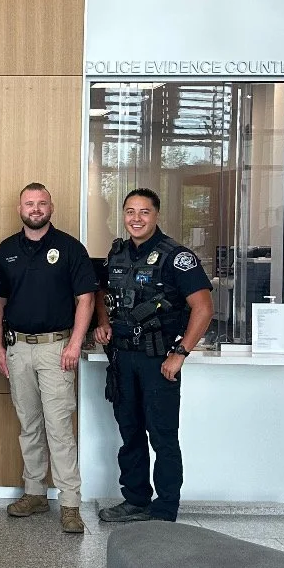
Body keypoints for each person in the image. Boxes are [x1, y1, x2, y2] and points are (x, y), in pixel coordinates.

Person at [93, 187, 213, 524]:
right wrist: (103, 321)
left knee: (162, 436)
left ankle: (164, 510)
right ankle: (135, 500)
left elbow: (203, 308)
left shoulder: (176, 256)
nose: (136, 218)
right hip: (122, 359)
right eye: (130, 211)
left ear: (156, 215)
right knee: (129, 434)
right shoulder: (117, 254)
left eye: (143, 212)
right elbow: (103, 292)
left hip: (157, 361)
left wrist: (180, 353)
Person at [0, 183, 98, 533]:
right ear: (19, 207)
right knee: (29, 425)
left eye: (41, 203)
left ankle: (70, 503)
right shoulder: (6, 250)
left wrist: (74, 344)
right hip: (17, 347)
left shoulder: (70, 249)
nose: (35, 209)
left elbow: (86, 299)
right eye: (29, 204)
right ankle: (35, 493)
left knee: (59, 429)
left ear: (51, 206)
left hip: (57, 349)